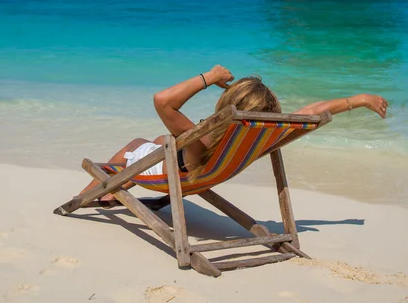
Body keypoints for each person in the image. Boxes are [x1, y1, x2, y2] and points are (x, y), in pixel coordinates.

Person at [78, 65, 388, 203]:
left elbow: (163, 101)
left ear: (227, 105)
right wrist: (358, 100)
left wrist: (209, 77)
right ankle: (108, 191)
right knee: (161, 142)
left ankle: (90, 196)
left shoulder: (202, 138)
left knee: (136, 145)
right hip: (205, 171)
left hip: (176, 174)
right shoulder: (264, 135)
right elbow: (310, 112)